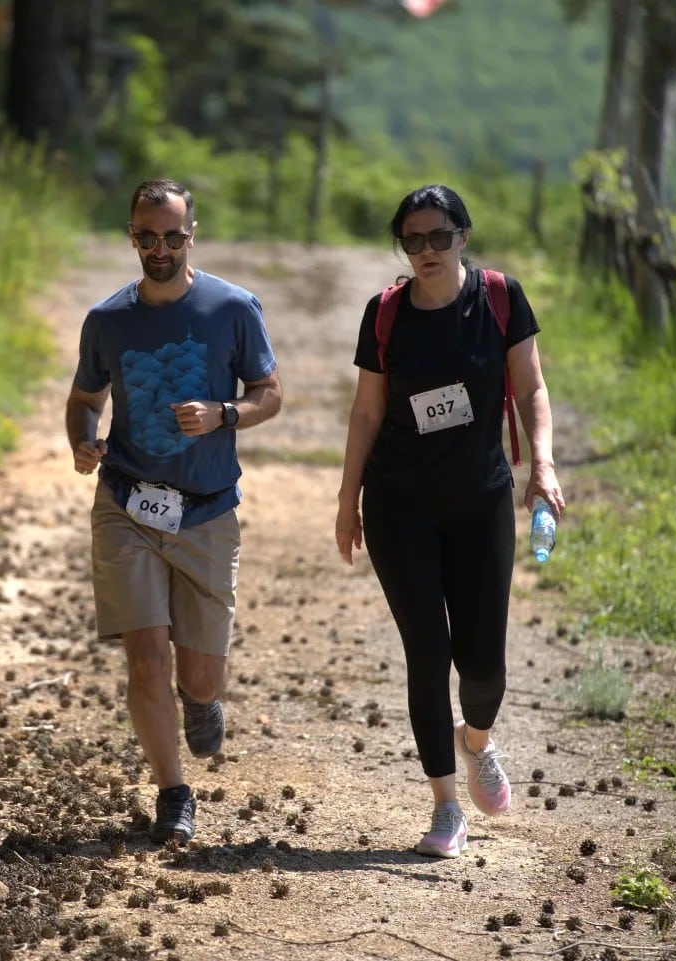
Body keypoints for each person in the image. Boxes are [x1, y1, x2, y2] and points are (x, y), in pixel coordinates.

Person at [334, 184, 565, 859]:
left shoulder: (498, 299)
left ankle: (478, 742)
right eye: (414, 239)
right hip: (400, 503)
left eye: (439, 236)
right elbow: (367, 413)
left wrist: (542, 467)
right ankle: (444, 805)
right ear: (402, 246)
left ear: (463, 235)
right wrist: (348, 498)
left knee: (485, 664)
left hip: (479, 501)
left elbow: (530, 388)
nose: (427, 250)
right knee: (428, 651)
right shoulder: (384, 314)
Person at [67, 178, 283, 845]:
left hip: (208, 511)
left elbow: (269, 393)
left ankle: (205, 698)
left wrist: (225, 414)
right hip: (127, 503)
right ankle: (173, 791)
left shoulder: (233, 309)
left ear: (193, 234)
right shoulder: (108, 320)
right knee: (144, 657)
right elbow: (83, 397)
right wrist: (82, 439)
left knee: (199, 672)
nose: (159, 248)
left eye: (172, 236)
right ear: (130, 234)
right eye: (146, 236)